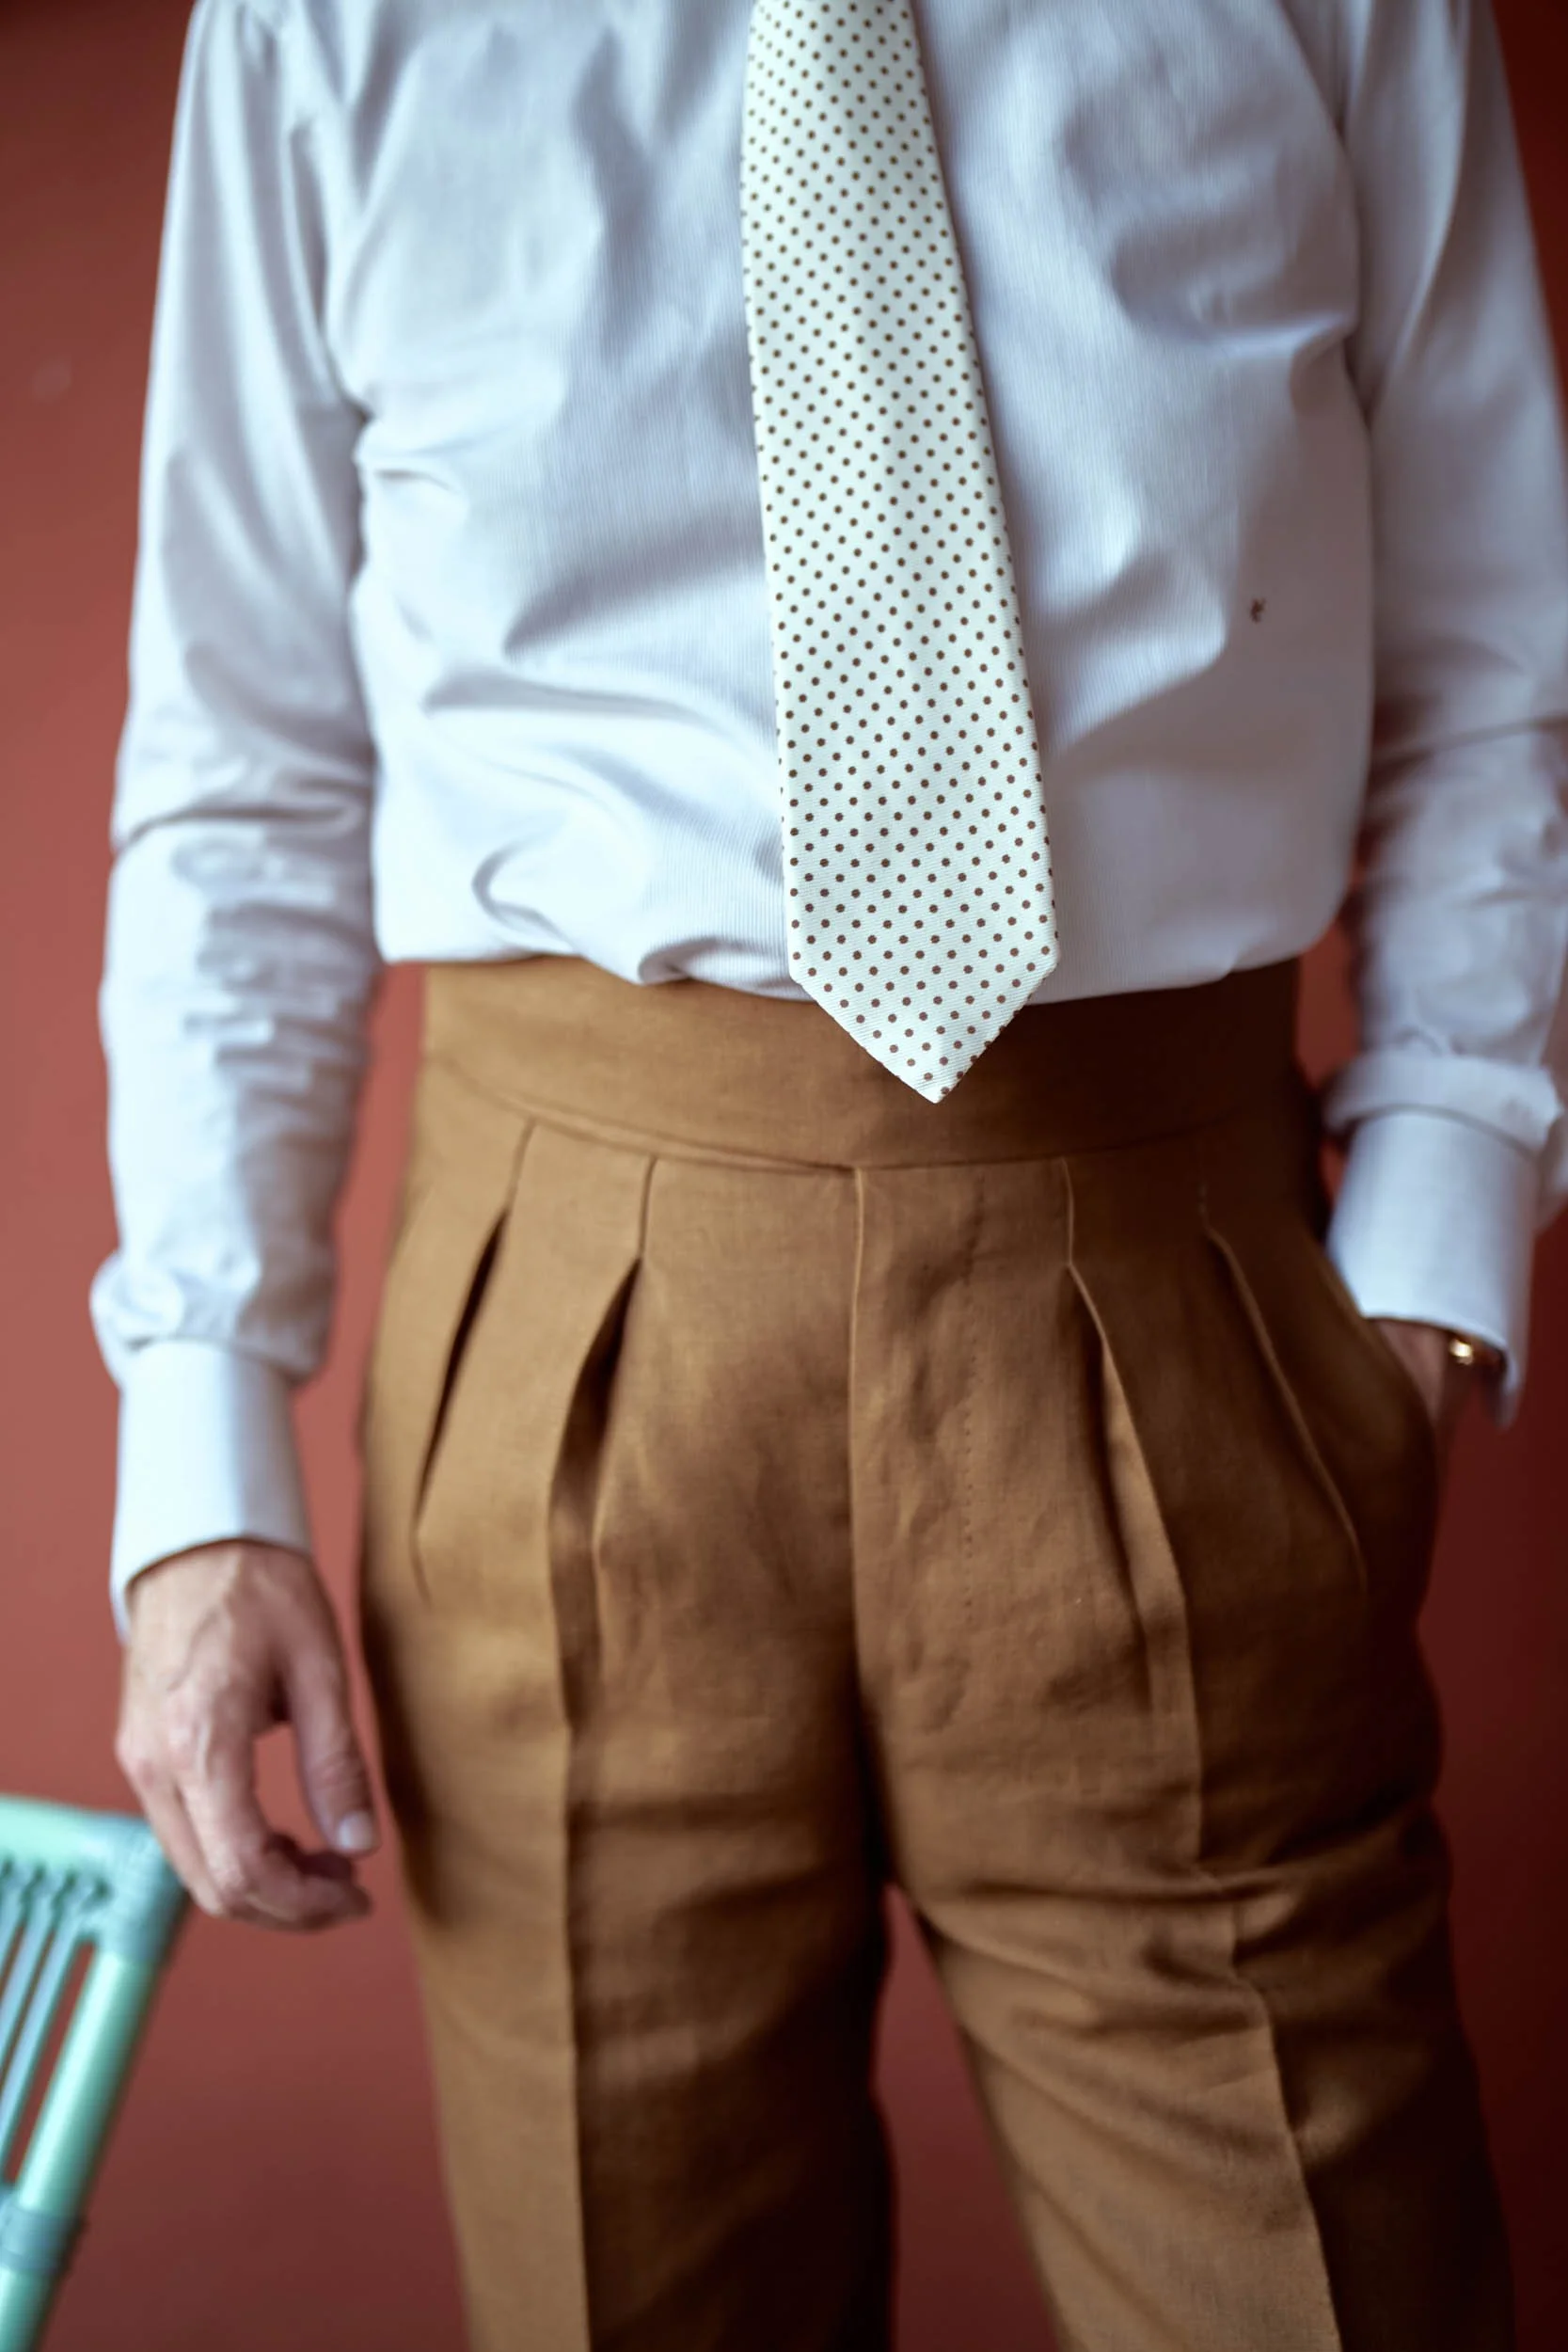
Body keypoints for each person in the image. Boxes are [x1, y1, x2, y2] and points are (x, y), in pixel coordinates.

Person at [96, 0, 1568, 2345]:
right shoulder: (323, 27)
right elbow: (243, 757)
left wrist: (1431, 1216)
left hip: (1171, 1273)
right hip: (565, 1335)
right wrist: (200, 1468)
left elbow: (1492, 641)